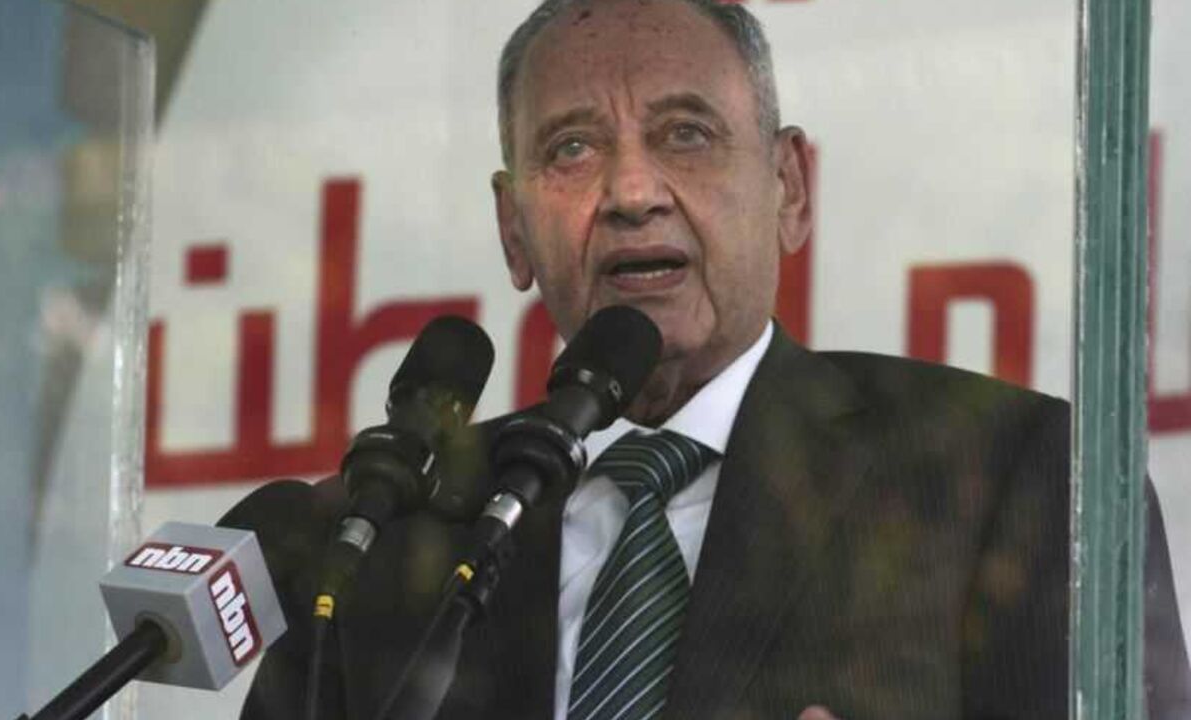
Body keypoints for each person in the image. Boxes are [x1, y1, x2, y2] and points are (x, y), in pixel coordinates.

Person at [242, 1, 1191, 718]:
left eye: (685, 134)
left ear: (789, 188)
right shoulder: (385, 540)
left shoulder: (1020, 475)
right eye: (571, 149)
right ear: (513, 227)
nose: (632, 190)